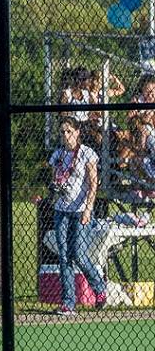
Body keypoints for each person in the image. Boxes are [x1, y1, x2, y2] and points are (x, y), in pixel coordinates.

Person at [49, 116, 107, 317]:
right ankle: (68, 303)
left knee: (79, 255)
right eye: (63, 131)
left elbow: (93, 184)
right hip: (62, 210)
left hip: (81, 210)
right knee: (64, 257)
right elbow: (54, 178)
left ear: (77, 132)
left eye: (69, 131)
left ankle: (100, 289)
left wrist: (88, 209)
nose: (66, 135)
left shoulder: (87, 154)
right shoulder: (58, 154)